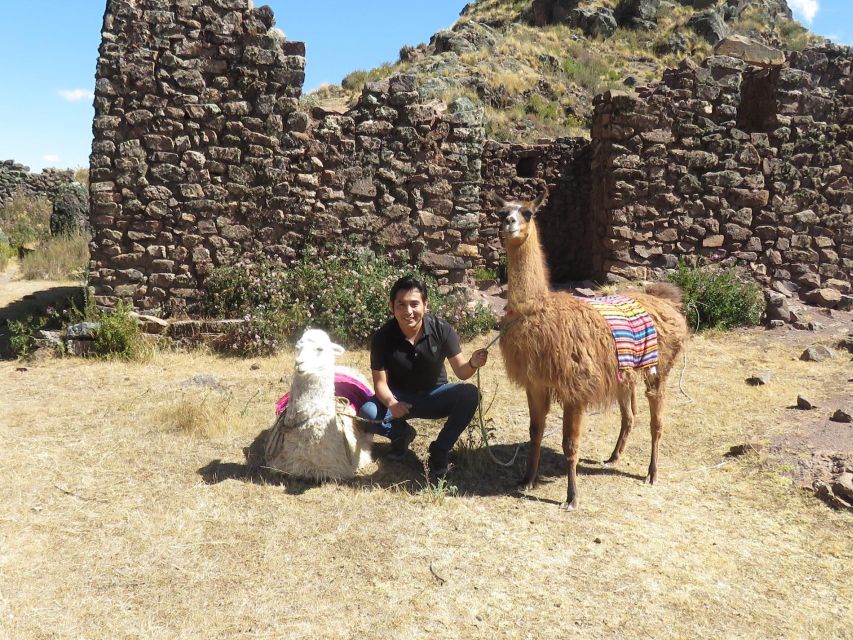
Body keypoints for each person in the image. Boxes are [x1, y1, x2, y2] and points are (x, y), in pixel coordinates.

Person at [358, 275, 488, 478]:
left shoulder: (442, 329)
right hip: (399, 398)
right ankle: (401, 435)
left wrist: (472, 363)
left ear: (425, 305)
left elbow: (462, 372)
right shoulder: (382, 337)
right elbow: (380, 384)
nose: (408, 311)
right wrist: (392, 403)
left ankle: (440, 450)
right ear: (391, 306)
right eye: (401, 304)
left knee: (470, 394)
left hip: (435, 396)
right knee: (367, 413)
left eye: (414, 304)